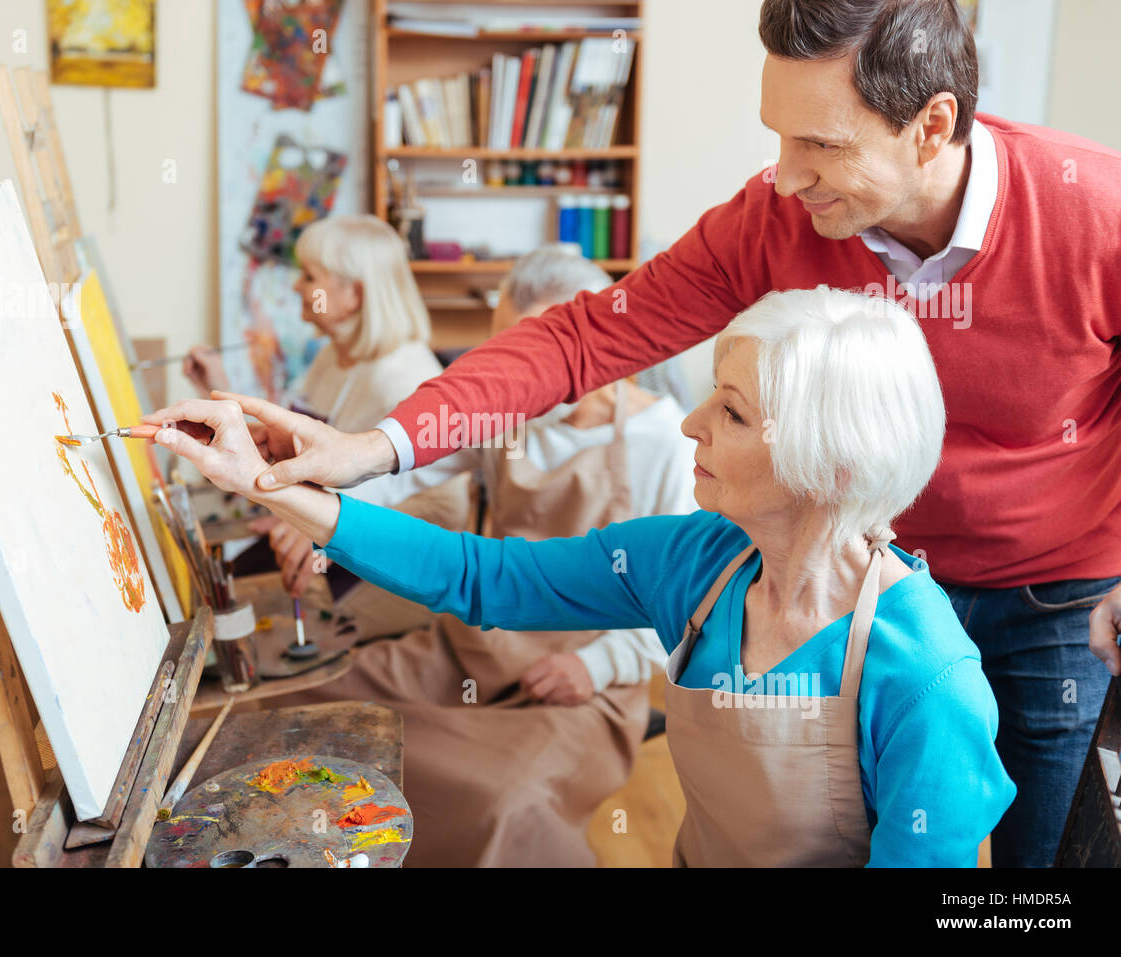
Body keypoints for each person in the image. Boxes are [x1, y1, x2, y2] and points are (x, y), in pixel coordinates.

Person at [216, 0, 1121, 868]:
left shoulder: (1094, 210)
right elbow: (586, 335)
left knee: (1033, 862)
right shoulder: (776, 222)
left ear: (932, 125)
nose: (786, 174)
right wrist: (372, 450)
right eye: (778, 135)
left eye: (821, 145)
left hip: (1052, 595)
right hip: (853, 561)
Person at [145, 286, 1015, 866]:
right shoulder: (699, 562)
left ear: (829, 464)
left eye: (734, 411)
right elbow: (482, 576)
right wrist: (282, 484)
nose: (692, 425)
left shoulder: (928, 678)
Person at [246, 248, 696, 866]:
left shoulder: (668, 442)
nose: (520, 376)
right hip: (472, 648)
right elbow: (397, 473)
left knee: (503, 803)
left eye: (534, 354)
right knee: (298, 708)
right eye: (508, 355)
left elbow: (685, 601)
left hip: (583, 681)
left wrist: (600, 664)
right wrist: (316, 512)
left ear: (593, 336)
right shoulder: (507, 414)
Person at [187, 213, 472, 636]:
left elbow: (443, 507)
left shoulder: (402, 376)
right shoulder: (332, 357)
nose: (296, 286)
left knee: (230, 617)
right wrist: (219, 389)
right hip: (319, 532)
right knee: (206, 591)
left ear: (353, 295)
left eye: (309, 276)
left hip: (378, 561)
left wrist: (327, 526)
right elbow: (289, 453)